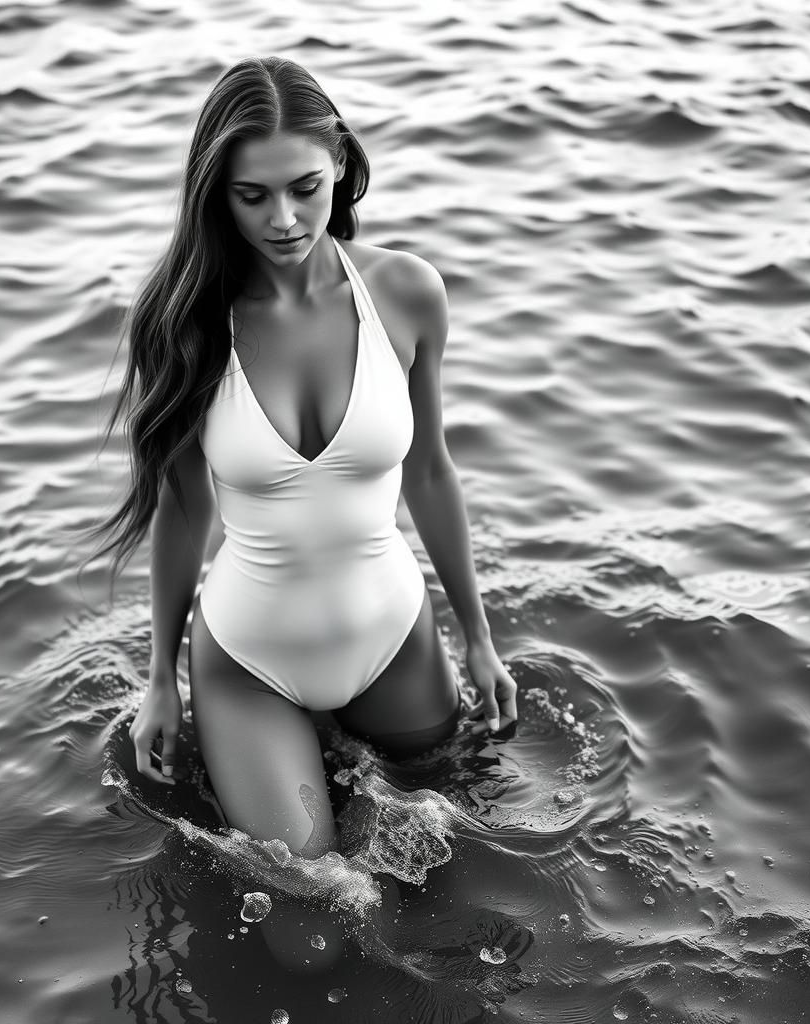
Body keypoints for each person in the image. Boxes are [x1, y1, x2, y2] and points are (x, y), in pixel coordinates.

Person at [87, 53, 518, 933]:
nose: (283, 219)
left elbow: (431, 470)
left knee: (447, 889)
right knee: (314, 936)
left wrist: (479, 639)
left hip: (392, 635)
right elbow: (182, 510)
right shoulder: (184, 323)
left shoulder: (406, 293)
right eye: (252, 196)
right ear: (215, 194)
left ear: (341, 165)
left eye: (305, 188)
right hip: (253, 661)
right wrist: (161, 680)